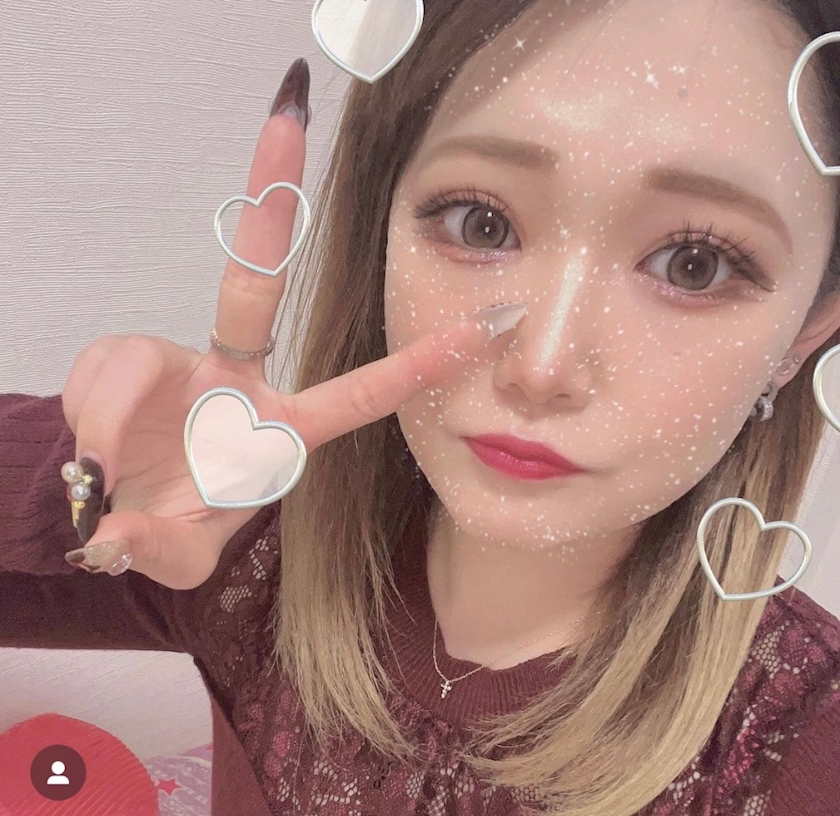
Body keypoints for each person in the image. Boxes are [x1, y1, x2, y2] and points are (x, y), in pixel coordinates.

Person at [2, 0, 840, 813]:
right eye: (481, 224)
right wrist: (81, 480)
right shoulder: (249, 547)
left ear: (808, 329)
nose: (541, 367)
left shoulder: (800, 741)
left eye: (694, 264)